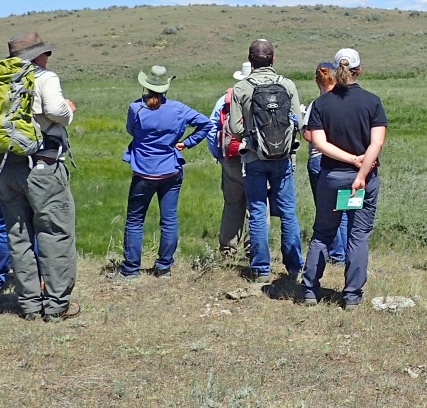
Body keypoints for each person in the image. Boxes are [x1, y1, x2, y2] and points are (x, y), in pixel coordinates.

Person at [0, 31, 79, 322]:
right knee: (55, 234)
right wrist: (69, 112)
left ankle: (29, 306)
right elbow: (54, 109)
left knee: (18, 236)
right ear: (38, 55)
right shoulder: (44, 77)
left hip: (6, 169)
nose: (48, 58)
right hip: (43, 168)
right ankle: (55, 306)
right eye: (46, 54)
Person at [299, 48, 386, 309]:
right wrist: (360, 172)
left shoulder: (321, 104)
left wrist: (348, 160)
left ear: (337, 71)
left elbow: (319, 142)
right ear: (360, 70)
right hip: (364, 179)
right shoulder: (372, 102)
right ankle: (351, 295)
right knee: (358, 235)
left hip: (332, 176)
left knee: (323, 233)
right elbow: (376, 143)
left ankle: (310, 290)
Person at [116, 66, 211, 279]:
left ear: (145, 86)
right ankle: (164, 267)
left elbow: (131, 131)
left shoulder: (136, 108)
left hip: (143, 170)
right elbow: (205, 123)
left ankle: (130, 269)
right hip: (170, 170)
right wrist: (186, 143)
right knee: (168, 219)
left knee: (135, 220)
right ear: (165, 88)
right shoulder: (178, 109)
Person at [228, 39, 304, 283]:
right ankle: (294, 267)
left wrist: (253, 135)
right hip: (283, 158)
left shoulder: (241, 88)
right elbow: (299, 124)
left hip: (253, 158)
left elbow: (234, 128)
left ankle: (261, 269)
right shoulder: (287, 85)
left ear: (250, 61)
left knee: (258, 212)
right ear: (273, 59)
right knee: (288, 212)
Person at [206, 62, 253, 259]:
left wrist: (218, 154)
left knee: (232, 203)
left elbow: (211, 129)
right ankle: (254, 250)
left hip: (231, 158)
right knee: (258, 205)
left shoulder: (224, 100)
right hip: (258, 157)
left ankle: (227, 250)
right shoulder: (266, 96)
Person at [303, 61, 347, 265]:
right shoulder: (343, 101)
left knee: (327, 209)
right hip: (344, 160)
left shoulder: (317, 104)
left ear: (317, 80)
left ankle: (336, 253)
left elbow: (308, 135)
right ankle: (345, 251)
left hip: (319, 160)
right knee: (345, 209)